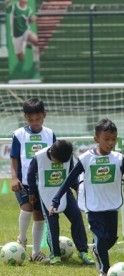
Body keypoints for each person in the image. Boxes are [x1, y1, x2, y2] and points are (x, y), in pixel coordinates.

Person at [50, 119, 124, 276]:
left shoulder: (118, 158)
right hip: (93, 206)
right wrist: (56, 199)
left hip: (111, 205)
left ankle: (97, 251)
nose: (110, 143)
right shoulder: (86, 158)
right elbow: (69, 179)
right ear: (96, 139)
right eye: (106, 139)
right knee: (100, 237)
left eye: (113, 139)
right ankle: (105, 271)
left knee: (111, 238)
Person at [27, 140, 95, 265]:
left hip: (64, 191)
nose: (60, 163)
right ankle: (55, 255)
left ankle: (83, 251)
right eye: (58, 160)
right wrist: (32, 193)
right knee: (52, 224)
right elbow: (30, 175)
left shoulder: (67, 157)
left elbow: (71, 175)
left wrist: (76, 188)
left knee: (77, 218)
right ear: (51, 151)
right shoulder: (39, 157)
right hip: (46, 194)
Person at [10, 98, 54, 263]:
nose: (35, 122)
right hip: (24, 182)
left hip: (42, 183)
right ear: (25, 117)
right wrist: (14, 178)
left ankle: (35, 252)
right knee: (27, 209)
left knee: (39, 215)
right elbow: (14, 158)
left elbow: (54, 158)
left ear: (44, 115)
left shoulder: (49, 134)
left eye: (38, 119)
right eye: (30, 119)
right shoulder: (19, 134)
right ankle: (21, 239)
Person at [4, 0, 40, 68]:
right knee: (21, 58)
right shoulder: (13, 6)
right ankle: (26, 44)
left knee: (36, 40)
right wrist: (8, 1)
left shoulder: (29, 9)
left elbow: (29, 20)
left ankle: (36, 61)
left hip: (25, 32)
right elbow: (5, 9)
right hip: (16, 35)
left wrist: (32, 19)